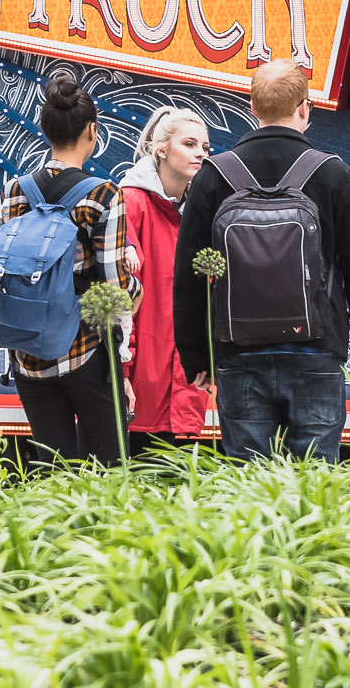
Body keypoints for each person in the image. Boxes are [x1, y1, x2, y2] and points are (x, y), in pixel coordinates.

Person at [174, 59, 350, 462]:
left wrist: (195, 355)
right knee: (315, 479)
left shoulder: (214, 175)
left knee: (251, 483)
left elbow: (188, 274)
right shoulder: (332, 174)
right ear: (304, 107)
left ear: (252, 108)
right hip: (317, 350)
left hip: (238, 352)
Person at [0, 78, 140, 465]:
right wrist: (137, 288)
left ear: (45, 130)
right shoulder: (103, 194)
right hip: (87, 351)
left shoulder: (13, 191)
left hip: (26, 355)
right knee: (109, 469)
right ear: (92, 131)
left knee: (55, 476)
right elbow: (115, 287)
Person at [120, 106, 213, 451]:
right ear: (160, 149)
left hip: (186, 381)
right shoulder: (132, 203)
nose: (200, 153)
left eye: (205, 147)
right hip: (142, 379)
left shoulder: (200, 210)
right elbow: (121, 301)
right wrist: (123, 373)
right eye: (189, 144)